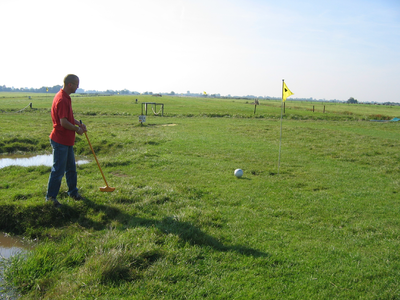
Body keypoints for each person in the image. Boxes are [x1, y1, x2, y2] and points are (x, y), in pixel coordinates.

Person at [46, 74, 87, 208]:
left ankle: (73, 193)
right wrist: (77, 129)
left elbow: (68, 117)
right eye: (76, 84)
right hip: (60, 140)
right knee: (58, 170)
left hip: (67, 140)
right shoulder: (62, 99)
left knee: (71, 168)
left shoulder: (65, 97)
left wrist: (78, 124)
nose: (78, 87)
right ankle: (51, 198)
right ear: (70, 84)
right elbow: (63, 122)